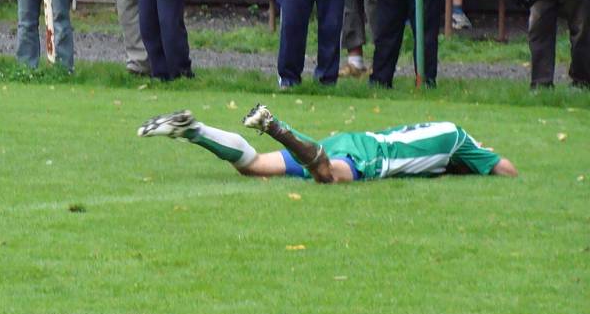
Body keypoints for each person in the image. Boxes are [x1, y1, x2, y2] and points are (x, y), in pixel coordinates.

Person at [138, 104, 518, 182]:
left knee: (252, 166)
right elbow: (507, 169)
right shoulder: (459, 139)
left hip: (352, 139)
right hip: (369, 158)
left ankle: (194, 130)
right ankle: (275, 126)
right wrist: (482, 161)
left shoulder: (443, 134)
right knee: (327, 176)